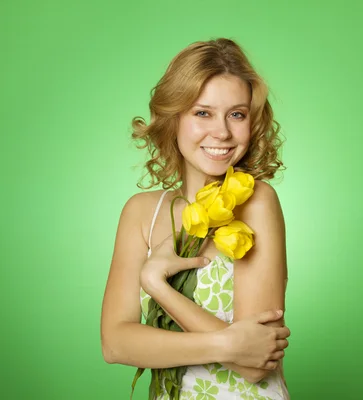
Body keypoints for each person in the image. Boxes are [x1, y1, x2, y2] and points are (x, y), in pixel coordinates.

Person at [100, 38, 290, 399]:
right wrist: (227, 345)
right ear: (174, 119)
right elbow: (115, 343)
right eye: (202, 113)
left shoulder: (257, 202)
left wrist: (156, 284)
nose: (222, 132)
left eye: (237, 114)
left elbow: (254, 362)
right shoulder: (141, 212)